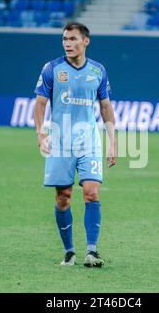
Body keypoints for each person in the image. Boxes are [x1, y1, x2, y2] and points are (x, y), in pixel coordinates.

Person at [33, 22, 117, 268]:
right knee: (64, 197)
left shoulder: (98, 70)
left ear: (85, 41)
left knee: (91, 192)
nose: (67, 43)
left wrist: (113, 142)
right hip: (60, 141)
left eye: (72, 39)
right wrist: (41, 133)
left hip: (88, 140)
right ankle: (69, 251)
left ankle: (92, 251)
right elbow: (39, 104)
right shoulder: (52, 69)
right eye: (64, 40)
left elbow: (105, 107)